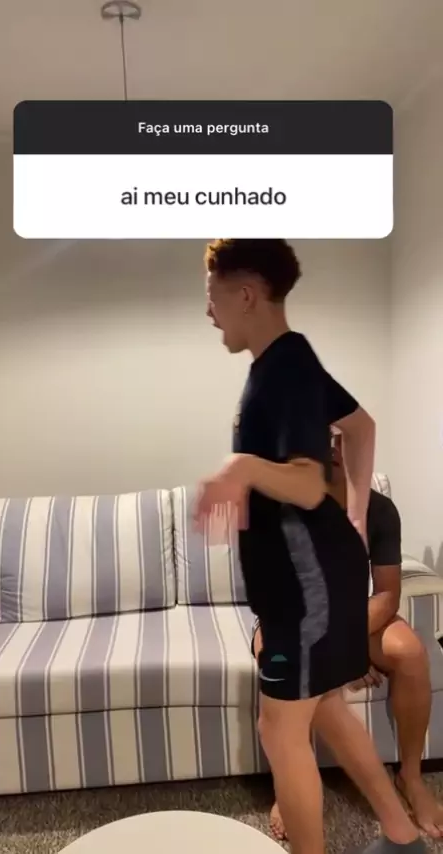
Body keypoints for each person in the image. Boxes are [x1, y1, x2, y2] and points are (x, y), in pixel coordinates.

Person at [194, 239, 426, 854]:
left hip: (305, 591)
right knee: (322, 708)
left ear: (246, 294)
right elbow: (361, 427)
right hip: (306, 583)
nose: (208, 311)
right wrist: (354, 513)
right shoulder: (286, 362)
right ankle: (402, 835)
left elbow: (302, 481)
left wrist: (241, 467)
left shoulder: (284, 371)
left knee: (279, 730)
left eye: (212, 296)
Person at [255, 432, 443, 841]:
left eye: (338, 439)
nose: (331, 449)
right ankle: (288, 784)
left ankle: (411, 777)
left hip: (356, 620)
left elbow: (387, 595)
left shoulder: (379, 510)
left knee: (411, 652)